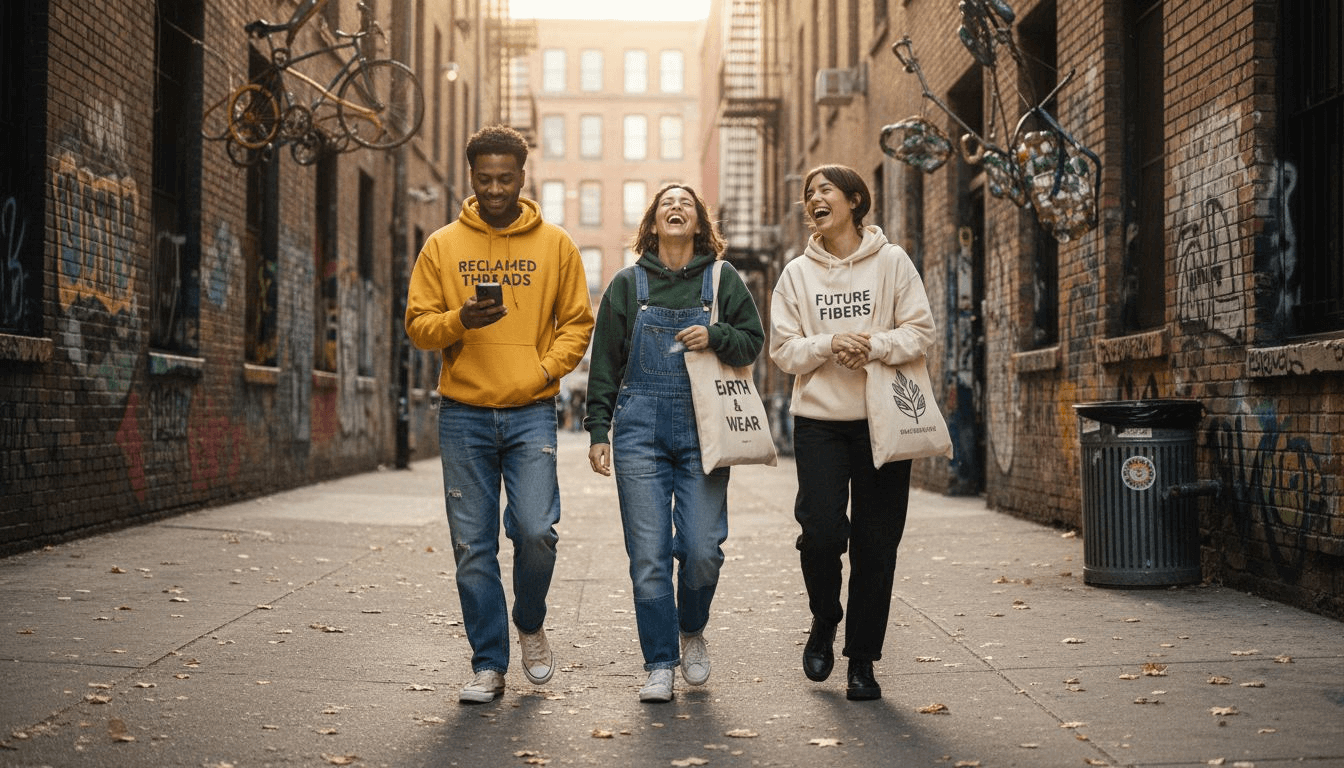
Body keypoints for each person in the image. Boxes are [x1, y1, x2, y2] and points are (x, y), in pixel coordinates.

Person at [405, 125, 595, 704]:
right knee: (472, 546)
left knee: (536, 531)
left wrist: (541, 372)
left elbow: (577, 323)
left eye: (505, 179)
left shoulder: (556, 245)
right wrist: (459, 320)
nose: (493, 189)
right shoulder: (442, 246)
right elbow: (419, 327)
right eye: (484, 179)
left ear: (522, 177)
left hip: (531, 411)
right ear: (471, 176)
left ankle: (529, 620)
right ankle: (489, 663)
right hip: (463, 413)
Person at [584, 183, 765, 703]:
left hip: (704, 428)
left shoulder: (721, 279)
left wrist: (716, 336)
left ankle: (692, 628)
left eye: (686, 202)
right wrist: (599, 430)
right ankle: (660, 662)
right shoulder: (627, 284)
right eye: (667, 203)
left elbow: (752, 341)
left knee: (703, 549)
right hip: (639, 429)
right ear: (653, 223)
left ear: (700, 222)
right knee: (649, 555)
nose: (677, 207)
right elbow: (605, 363)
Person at [768, 164, 935, 701]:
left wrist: (874, 345)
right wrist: (828, 343)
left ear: (855, 200)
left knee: (876, 544)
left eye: (825, 190)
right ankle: (825, 618)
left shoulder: (892, 262)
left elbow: (920, 330)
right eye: (808, 193)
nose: (813, 198)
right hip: (819, 423)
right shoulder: (796, 274)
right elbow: (784, 351)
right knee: (820, 533)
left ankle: (862, 659)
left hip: (885, 418)